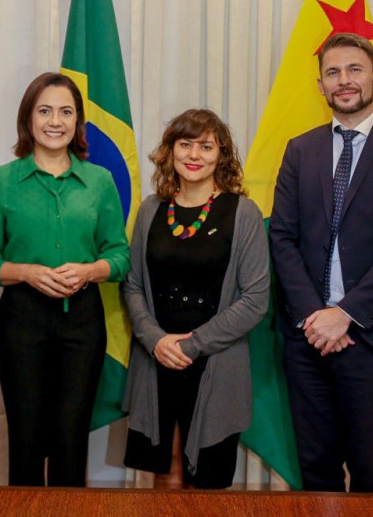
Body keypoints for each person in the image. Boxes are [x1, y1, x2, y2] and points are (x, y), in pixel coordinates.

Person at [269, 32, 373, 492]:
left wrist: (344, 315)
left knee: (368, 469)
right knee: (315, 469)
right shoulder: (300, 150)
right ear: (320, 86)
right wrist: (315, 317)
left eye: (354, 69)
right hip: (307, 339)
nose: (344, 80)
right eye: (332, 72)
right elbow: (282, 237)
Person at [0, 72, 130, 487]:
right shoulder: (0, 182)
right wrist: (25, 272)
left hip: (83, 323)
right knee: (24, 442)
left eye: (66, 111)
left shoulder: (99, 182)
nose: (55, 121)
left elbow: (120, 255)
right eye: (44, 111)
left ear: (78, 122)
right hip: (21, 323)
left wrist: (90, 270)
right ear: (28, 119)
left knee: (70, 443)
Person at [122, 109, 269, 489]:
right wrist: (156, 340)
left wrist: (193, 344)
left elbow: (255, 298)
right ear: (170, 151)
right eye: (185, 144)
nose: (194, 154)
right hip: (156, 360)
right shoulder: (151, 209)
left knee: (207, 486)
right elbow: (133, 285)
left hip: (215, 362)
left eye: (206, 146)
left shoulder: (243, 213)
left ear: (221, 155)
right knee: (164, 475)